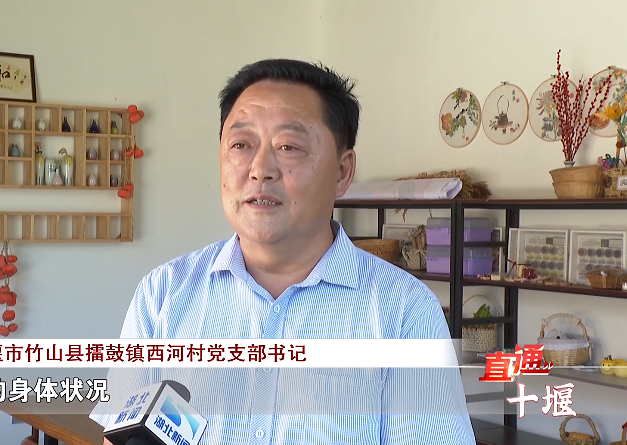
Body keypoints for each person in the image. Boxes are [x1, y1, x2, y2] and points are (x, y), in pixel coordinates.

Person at [93, 59, 476, 445]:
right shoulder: (162, 295)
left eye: (289, 147)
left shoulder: (405, 313)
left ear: (342, 171)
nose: (260, 169)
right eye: (241, 145)